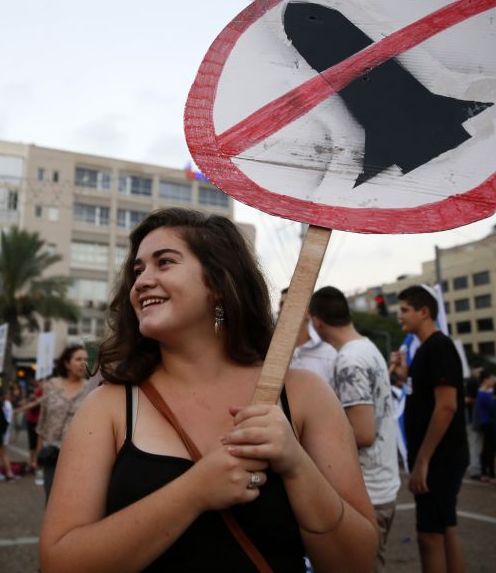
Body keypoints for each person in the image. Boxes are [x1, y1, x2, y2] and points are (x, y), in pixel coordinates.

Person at [39, 208, 377, 572]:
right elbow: (60, 561)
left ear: (217, 283)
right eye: (138, 271)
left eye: (164, 262)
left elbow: (357, 561)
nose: (141, 282)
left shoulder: (304, 393)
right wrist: (194, 492)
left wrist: (296, 466)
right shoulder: (108, 407)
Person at [309, 286, 400, 573]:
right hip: (380, 486)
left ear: (316, 321)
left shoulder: (349, 360)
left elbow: (363, 433)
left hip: (367, 492)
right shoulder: (368, 348)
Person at [398, 285, 468, 573]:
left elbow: (446, 406)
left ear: (424, 311)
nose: (399, 317)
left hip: (440, 457)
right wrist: (403, 376)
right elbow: (427, 397)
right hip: (438, 456)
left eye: (404, 310)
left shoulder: (439, 346)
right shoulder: (426, 349)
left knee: (429, 536)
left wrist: (423, 461)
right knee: (444, 529)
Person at [36, 344, 90, 502]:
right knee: (51, 498)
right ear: (67, 363)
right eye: (78, 359)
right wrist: (38, 455)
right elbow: (42, 423)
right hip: (52, 454)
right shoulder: (51, 386)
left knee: (75, 500)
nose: (83, 363)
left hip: (79, 456)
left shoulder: (92, 390)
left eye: (86, 359)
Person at [474, 371, 496, 482]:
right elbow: (492, 407)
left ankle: (487, 472)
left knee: (488, 448)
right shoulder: (484, 394)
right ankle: (487, 472)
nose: (493, 381)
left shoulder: (485, 393)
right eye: (491, 379)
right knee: (488, 449)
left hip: (486, 422)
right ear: (485, 380)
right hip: (487, 423)